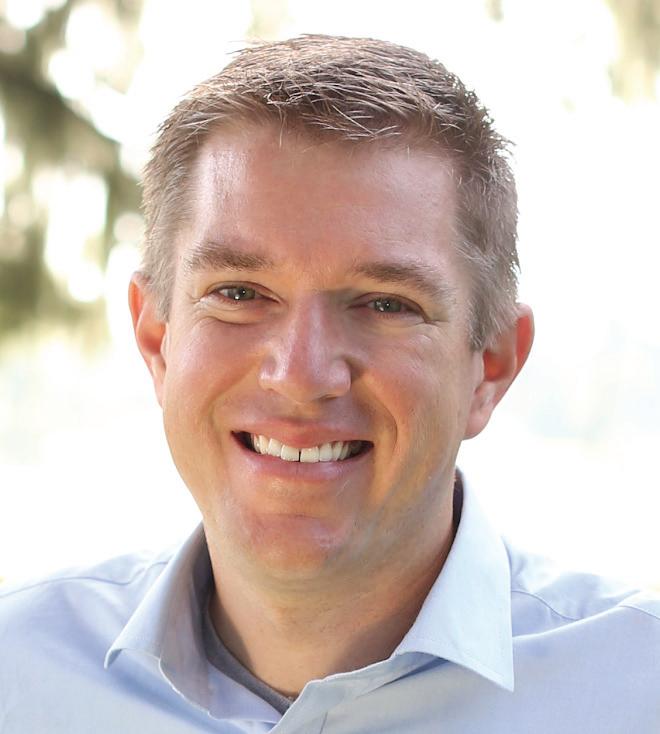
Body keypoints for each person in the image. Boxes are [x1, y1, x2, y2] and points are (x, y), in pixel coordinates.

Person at [1, 34, 658, 734]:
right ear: (158, 340)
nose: (300, 375)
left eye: (385, 304)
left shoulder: (638, 690)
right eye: (238, 293)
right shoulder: (19, 675)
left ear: (490, 366)